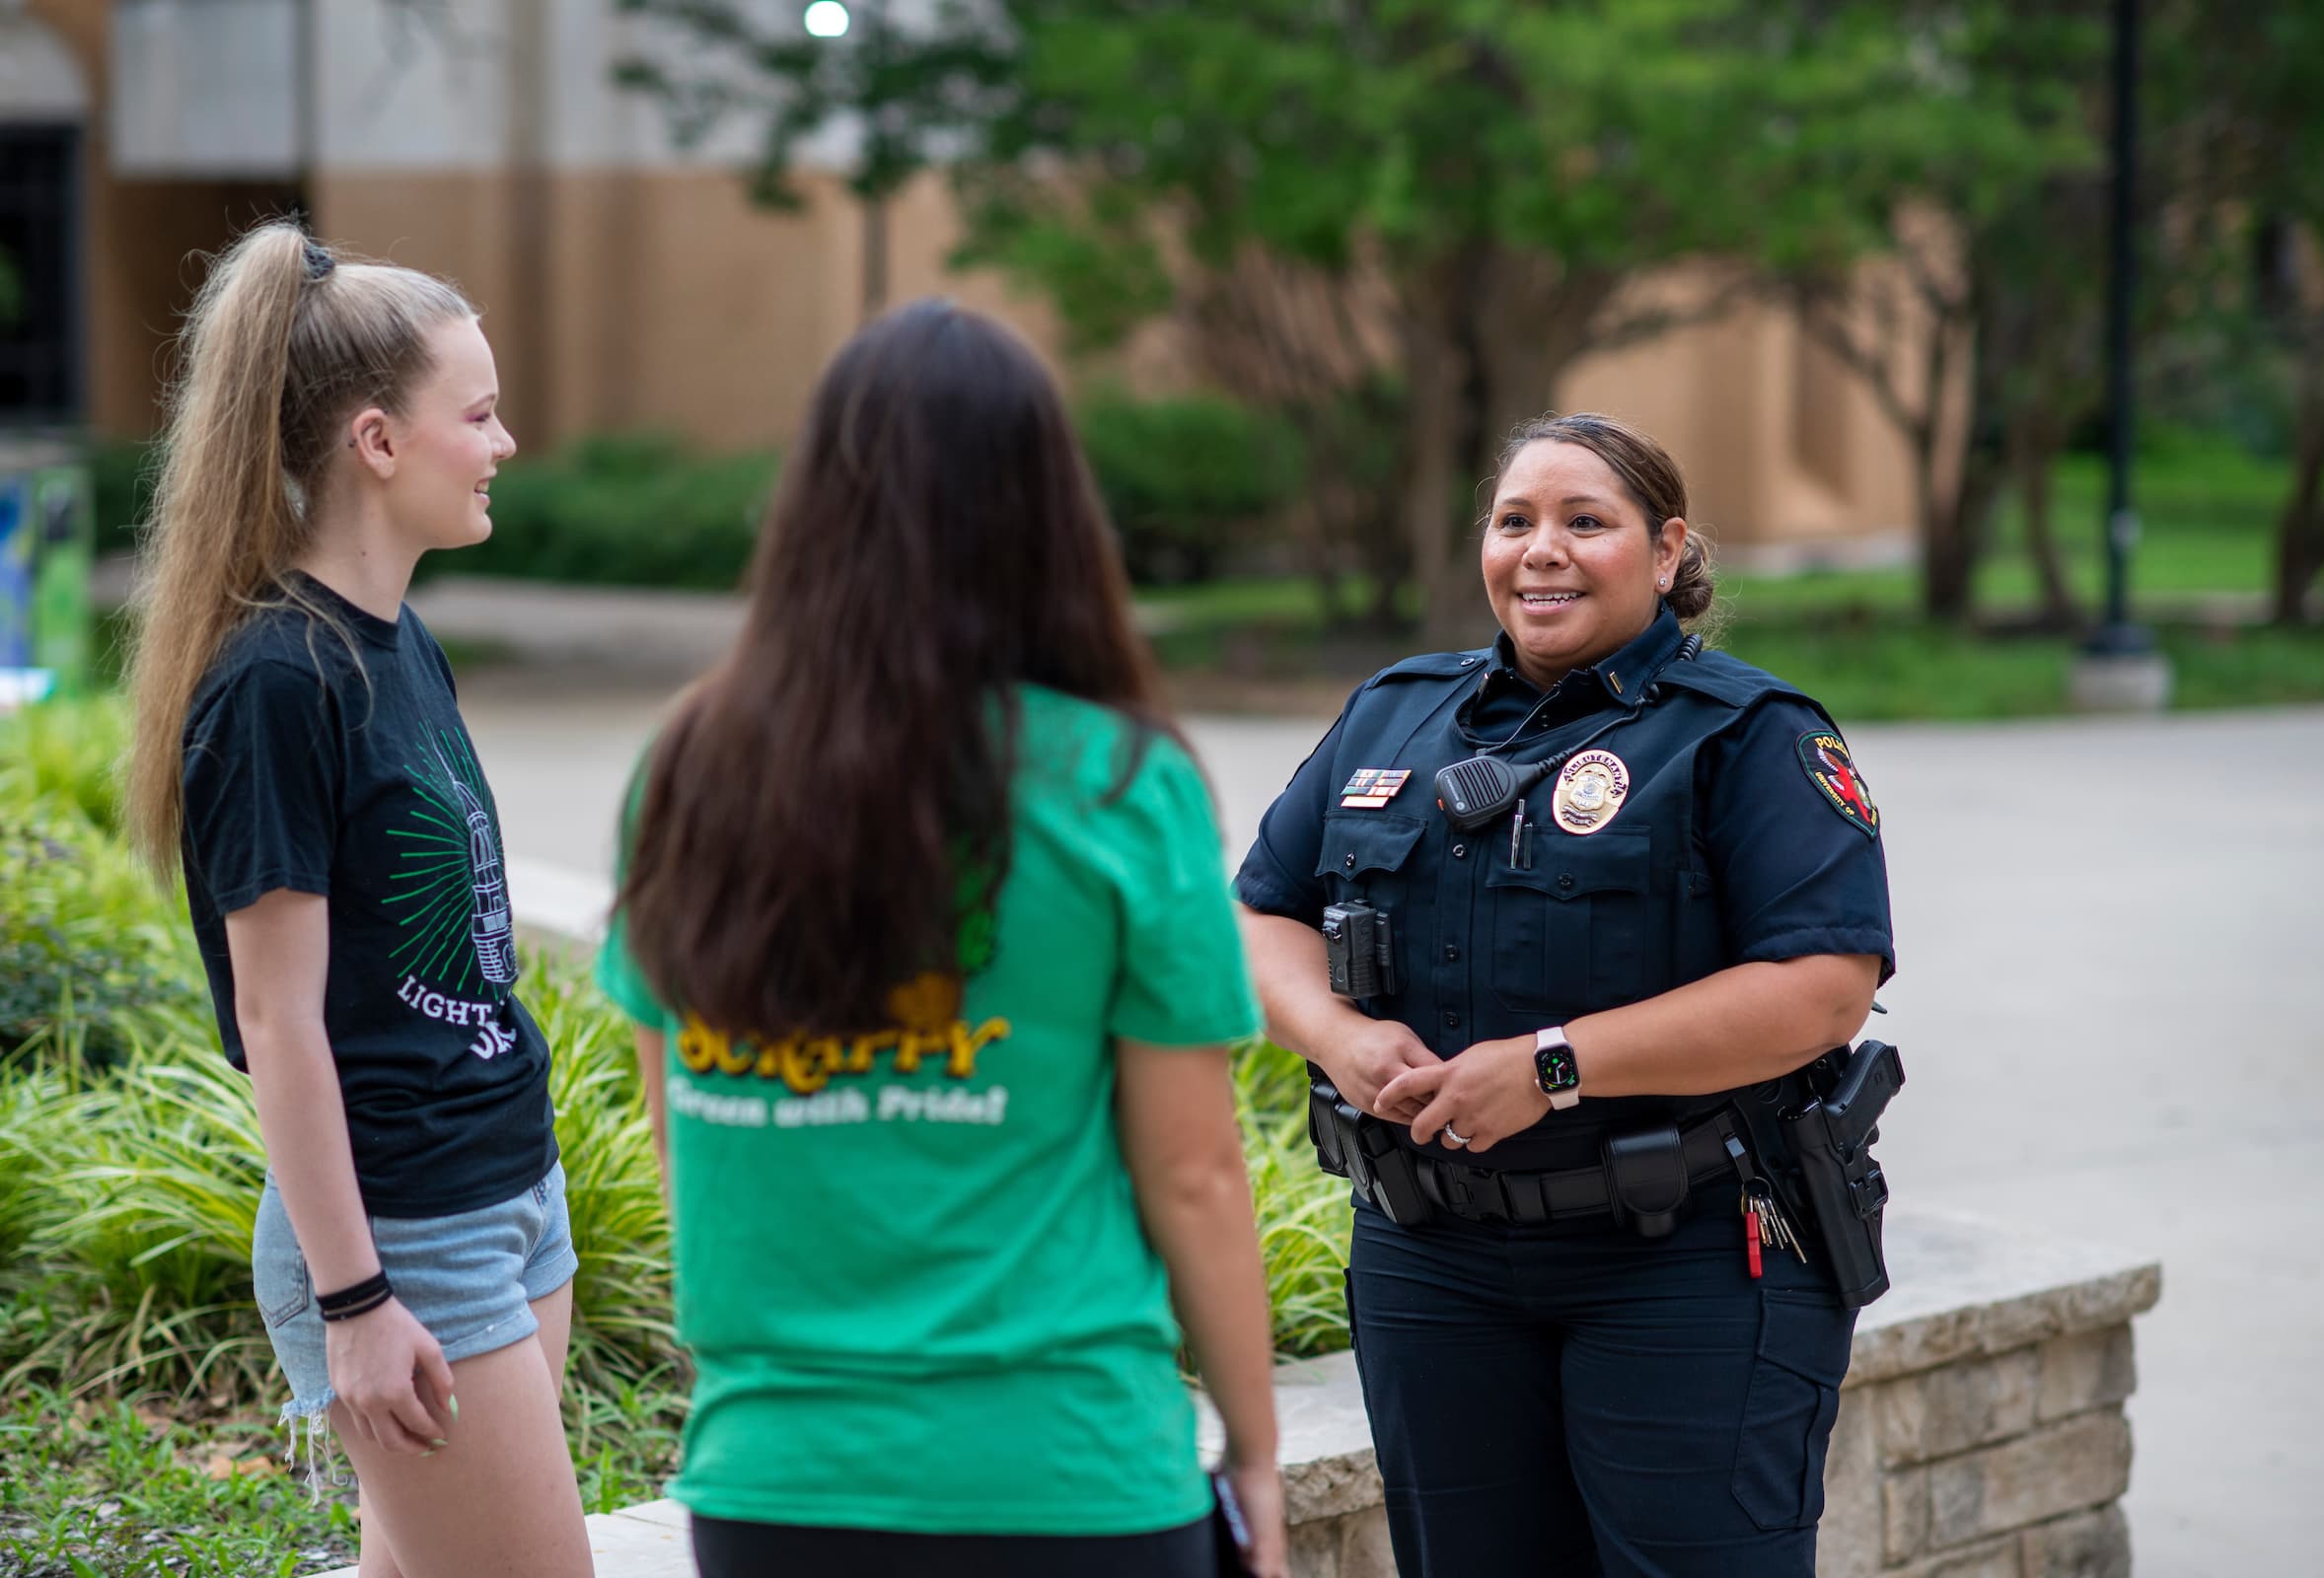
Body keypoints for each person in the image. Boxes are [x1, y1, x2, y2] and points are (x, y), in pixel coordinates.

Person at [595, 299, 1289, 1578]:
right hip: (1068, 1480)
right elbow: (1194, 1175)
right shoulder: (1120, 786)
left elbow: (681, 1136)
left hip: (777, 1485)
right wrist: (1252, 1458)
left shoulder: (685, 769)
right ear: (1047, 513)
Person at [1233, 413, 1895, 1577]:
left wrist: (1553, 1064)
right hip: (1429, 1256)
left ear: (1667, 550)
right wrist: (1337, 1038)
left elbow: (1823, 988)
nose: (1543, 549)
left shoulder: (1748, 735)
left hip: (1684, 1256)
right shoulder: (1393, 713)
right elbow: (1257, 914)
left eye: (1586, 522)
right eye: (1515, 521)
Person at [122, 223, 590, 1578]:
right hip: (405, 1232)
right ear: (378, 443)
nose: (506, 443)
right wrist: (356, 1299)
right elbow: (278, 1021)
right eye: (482, 414)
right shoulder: (279, 684)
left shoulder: (401, 643)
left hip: (507, 1191)